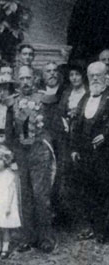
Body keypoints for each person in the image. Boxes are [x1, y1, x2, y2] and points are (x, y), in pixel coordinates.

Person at [6, 66, 56, 253]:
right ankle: (29, 237)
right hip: (21, 153)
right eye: (22, 78)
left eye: (28, 78)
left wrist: (46, 146)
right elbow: (9, 131)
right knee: (25, 196)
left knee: (40, 195)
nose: (25, 82)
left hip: (39, 151)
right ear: (17, 81)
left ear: (34, 79)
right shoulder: (12, 103)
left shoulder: (44, 99)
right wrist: (12, 153)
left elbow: (53, 126)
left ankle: (46, 238)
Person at [71, 61, 109, 243]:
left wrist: (106, 135)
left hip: (104, 154)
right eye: (91, 75)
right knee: (87, 190)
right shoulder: (85, 98)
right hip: (85, 154)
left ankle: (104, 230)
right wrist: (74, 148)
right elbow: (76, 125)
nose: (95, 78)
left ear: (105, 76)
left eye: (98, 75)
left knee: (104, 190)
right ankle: (92, 227)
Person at [54, 63, 88, 227]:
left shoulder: (88, 94)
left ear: (83, 76)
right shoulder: (67, 93)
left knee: (81, 177)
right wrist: (64, 121)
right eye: (71, 75)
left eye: (77, 75)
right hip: (65, 140)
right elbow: (59, 113)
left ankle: (84, 220)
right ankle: (68, 218)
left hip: (82, 140)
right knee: (64, 176)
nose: (74, 78)